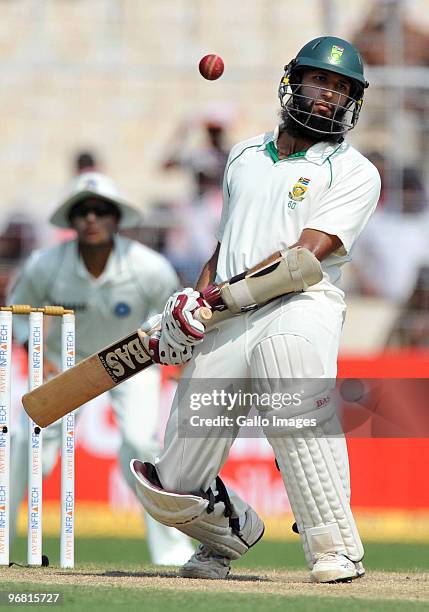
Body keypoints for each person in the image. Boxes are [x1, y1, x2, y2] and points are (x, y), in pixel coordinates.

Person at [130, 36, 381, 583]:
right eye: (321, 81)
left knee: (287, 365)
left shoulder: (355, 171)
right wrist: (192, 307)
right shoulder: (243, 155)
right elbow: (226, 246)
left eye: (342, 89)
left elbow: (304, 259)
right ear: (293, 81)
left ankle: (335, 547)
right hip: (227, 314)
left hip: (300, 304)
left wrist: (217, 296)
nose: (328, 96)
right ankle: (230, 533)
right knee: (171, 482)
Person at [8, 171, 194, 565]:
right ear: (72, 221)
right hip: (66, 366)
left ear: (116, 218)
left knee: (142, 445)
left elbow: (170, 317)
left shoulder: (149, 267)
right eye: (83, 212)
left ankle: (173, 552)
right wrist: (40, 355)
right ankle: (3, 539)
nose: (91, 219)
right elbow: (18, 312)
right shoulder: (46, 264)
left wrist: (157, 352)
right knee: (27, 443)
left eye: (101, 211)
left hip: (130, 362)